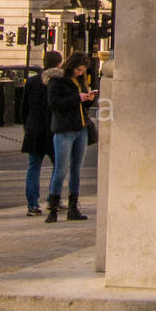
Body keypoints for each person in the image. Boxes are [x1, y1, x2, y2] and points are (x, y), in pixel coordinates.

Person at [45, 52, 96, 223]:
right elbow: (54, 103)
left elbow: (82, 106)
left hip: (80, 128)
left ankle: (73, 207)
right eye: (78, 70)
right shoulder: (57, 80)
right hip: (64, 129)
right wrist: (76, 98)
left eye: (83, 71)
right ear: (71, 66)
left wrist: (88, 99)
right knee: (61, 169)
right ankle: (53, 207)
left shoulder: (80, 81)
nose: (80, 73)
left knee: (77, 170)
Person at [20, 50, 60, 217]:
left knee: (33, 167)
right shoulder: (59, 81)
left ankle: (32, 204)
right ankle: (53, 199)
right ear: (59, 63)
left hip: (34, 129)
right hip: (53, 129)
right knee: (58, 166)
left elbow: (23, 108)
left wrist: (27, 126)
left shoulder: (32, 81)